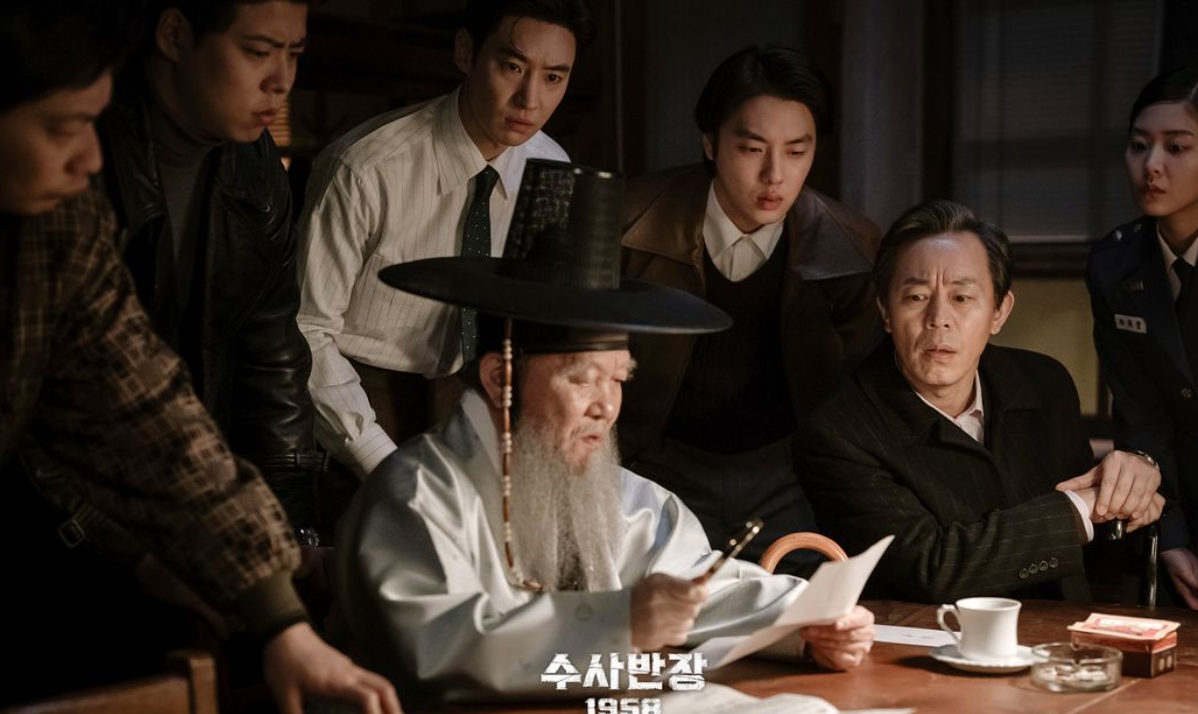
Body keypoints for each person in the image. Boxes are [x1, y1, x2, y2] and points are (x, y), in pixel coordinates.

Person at [332, 160, 876, 702]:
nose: (606, 407)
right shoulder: (417, 494)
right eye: (582, 379)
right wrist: (621, 619)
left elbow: (699, 587)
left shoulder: (626, 500)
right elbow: (444, 648)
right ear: (500, 380)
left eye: (618, 380)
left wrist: (809, 622)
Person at [0, 3, 400, 712]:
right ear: (175, 35)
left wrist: (277, 600)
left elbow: (144, 405)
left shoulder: (62, 216)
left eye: (294, 53)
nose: (89, 159)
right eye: (63, 128)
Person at [795, 200, 1165, 604]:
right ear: (885, 311)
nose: (939, 318)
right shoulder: (838, 430)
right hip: (927, 637)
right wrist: (1079, 509)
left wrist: (1130, 492)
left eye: (961, 298)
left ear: (999, 312)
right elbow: (930, 568)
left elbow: (1095, 540)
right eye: (916, 297)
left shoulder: (1045, 383)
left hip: (1060, 629)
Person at [297, 0, 590, 484]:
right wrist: (378, 459)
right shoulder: (365, 168)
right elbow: (307, 328)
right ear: (466, 53)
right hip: (358, 400)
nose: (530, 100)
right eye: (512, 67)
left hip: (477, 400)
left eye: (554, 77)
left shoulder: (551, 169)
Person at [619, 46, 879, 569]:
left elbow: (855, 386)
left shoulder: (851, 246)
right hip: (652, 464)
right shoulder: (627, 221)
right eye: (752, 148)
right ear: (710, 142)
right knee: (650, 608)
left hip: (785, 474)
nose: (774, 175)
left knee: (797, 608)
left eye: (797, 151)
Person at [1088, 64, 1198, 609]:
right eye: (1138, 146)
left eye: (1176, 147)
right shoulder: (1114, 263)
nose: (1151, 165)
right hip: (1175, 507)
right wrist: (1172, 536)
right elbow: (1139, 416)